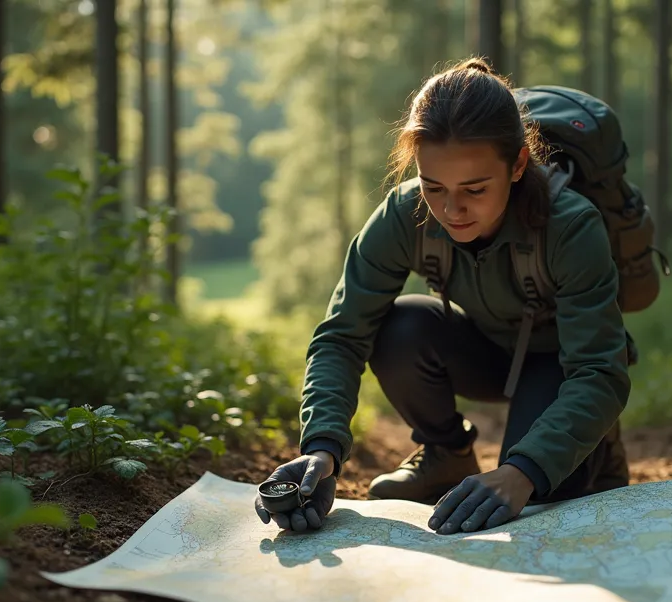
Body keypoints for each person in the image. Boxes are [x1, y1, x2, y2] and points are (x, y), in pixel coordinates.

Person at [253, 58, 633, 536]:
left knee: (540, 492)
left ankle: (601, 446)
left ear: (517, 165)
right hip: (481, 348)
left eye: (475, 189)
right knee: (400, 326)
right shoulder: (404, 214)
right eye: (434, 186)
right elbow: (342, 336)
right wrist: (322, 450)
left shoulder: (571, 226)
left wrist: (523, 472)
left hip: (562, 363)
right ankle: (447, 455)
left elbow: (599, 370)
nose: (452, 210)